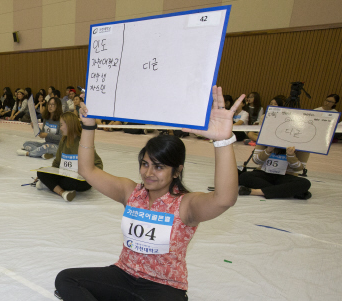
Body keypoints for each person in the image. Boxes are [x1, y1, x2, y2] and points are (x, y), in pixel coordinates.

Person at [54, 86, 244, 300]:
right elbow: (87, 170)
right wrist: (88, 126)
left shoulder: (186, 204)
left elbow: (225, 198)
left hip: (163, 287)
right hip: (123, 275)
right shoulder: (131, 193)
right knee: (66, 279)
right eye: (145, 164)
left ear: (177, 171)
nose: (149, 173)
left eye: (159, 167)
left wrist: (223, 141)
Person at [36, 112, 102, 202]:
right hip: (66, 175)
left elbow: (98, 163)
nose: (60, 127)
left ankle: (51, 185)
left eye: (62, 124)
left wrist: (90, 177)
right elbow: (57, 162)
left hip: (81, 180)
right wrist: (48, 173)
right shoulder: (63, 140)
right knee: (41, 171)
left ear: (69, 125)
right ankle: (63, 193)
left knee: (69, 182)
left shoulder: (82, 142)